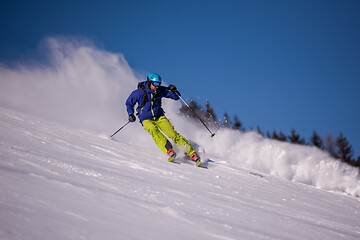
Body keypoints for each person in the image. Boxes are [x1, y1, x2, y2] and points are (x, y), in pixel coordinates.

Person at [125, 73, 201, 163]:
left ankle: (191, 152)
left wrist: (174, 90)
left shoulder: (160, 90)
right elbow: (129, 103)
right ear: (150, 82)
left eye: (159, 84)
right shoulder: (139, 93)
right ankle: (169, 149)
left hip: (159, 116)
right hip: (145, 118)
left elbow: (176, 97)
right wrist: (131, 114)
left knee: (172, 133)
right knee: (152, 129)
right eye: (156, 84)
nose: (158, 86)